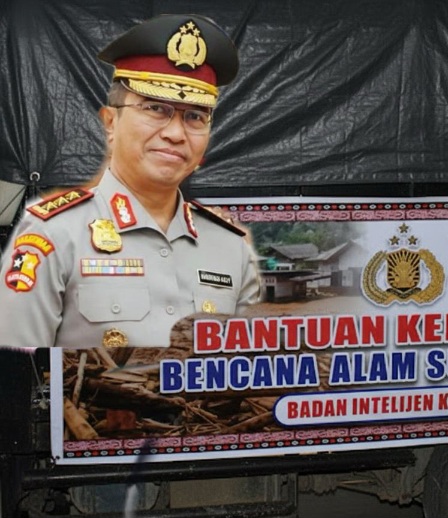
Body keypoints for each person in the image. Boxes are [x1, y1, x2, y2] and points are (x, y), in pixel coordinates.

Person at [0, 14, 260, 348]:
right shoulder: (55, 235)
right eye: (155, 108)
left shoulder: (230, 247)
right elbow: (16, 370)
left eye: (195, 116)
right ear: (111, 123)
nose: (175, 133)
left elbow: (251, 365)